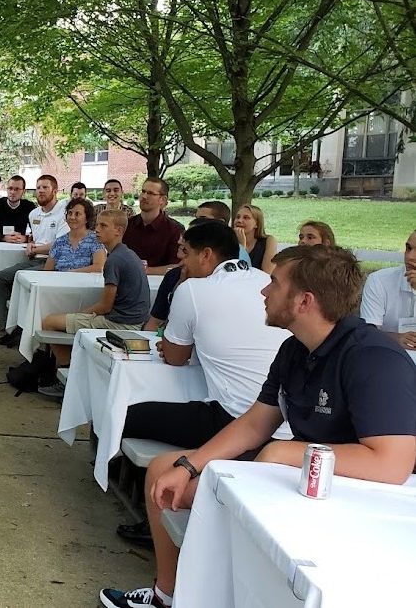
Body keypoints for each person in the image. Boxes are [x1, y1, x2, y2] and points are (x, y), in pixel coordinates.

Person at [100, 245, 416, 608]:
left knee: (216, 495)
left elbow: (391, 464)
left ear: (304, 301)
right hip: (300, 478)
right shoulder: (295, 348)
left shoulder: (372, 358)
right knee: (163, 472)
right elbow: (255, 423)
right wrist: (190, 465)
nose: (263, 291)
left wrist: (287, 453)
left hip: (364, 499)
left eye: (274, 284)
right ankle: (167, 596)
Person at [122, 221, 290, 545]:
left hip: (234, 418)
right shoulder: (262, 280)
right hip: (281, 420)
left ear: (207, 256)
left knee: (127, 415)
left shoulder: (192, 290)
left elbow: (173, 357)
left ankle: (155, 513)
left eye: (185, 254)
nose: (180, 262)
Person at [41, 209, 151, 380]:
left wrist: (81, 314)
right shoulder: (128, 253)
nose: (97, 229)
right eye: (97, 224)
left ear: (119, 231)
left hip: (121, 324)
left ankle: (67, 373)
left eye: (103, 225)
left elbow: (105, 306)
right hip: (136, 319)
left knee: (49, 322)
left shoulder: (114, 260)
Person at [0, 175, 68, 343]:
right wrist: (29, 243)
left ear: (55, 191)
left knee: (20, 280)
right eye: (38, 187)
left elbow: (61, 244)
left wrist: (36, 248)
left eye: (45, 188)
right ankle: (9, 328)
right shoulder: (34, 213)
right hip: (34, 259)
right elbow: (34, 238)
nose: (40, 191)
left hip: (52, 263)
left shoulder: (64, 214)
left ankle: (22, 330)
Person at [361, 229, 416, 350]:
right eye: (408, 248)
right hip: (389, 355)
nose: (409, 256)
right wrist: (396, 338)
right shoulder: (379, 281)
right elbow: (367, 333)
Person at [122, 178, 183, 274]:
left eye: (150, 193)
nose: (144, 196)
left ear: (163, 200)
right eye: (143, 191)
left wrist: (145, 270)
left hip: (158, 284)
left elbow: (177, 265)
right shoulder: (126, 225)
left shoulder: (175, 230)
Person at [42, 198, 106, 272]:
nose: (72, 217)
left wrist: (70, 273)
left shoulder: (95, 240)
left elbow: (99, 267)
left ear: (87, 219)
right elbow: (47, 271)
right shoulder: (59, 242)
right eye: (70, 213)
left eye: (77, 214)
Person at [0, 175, 35, 243]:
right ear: (6, 189)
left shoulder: (29, 207)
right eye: (10, 188)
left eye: (17, 189)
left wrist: (25, 238)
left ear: (24, 191)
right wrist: (3, 238)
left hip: (19, 246)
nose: (13, 192)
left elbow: (37, 233)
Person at [195, 200, 252, 266]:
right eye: (196, 218)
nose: (196, 222)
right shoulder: (195, 244)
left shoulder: (235, 251)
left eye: (203, 219)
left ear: (220, 222)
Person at [233, 203, 277, 273]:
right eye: (237, 217)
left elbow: (267, 273)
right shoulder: (228, 241)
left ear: (257, 224)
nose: (239, 220)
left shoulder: (268, 241)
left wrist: (242, 249)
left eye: (246, 218)